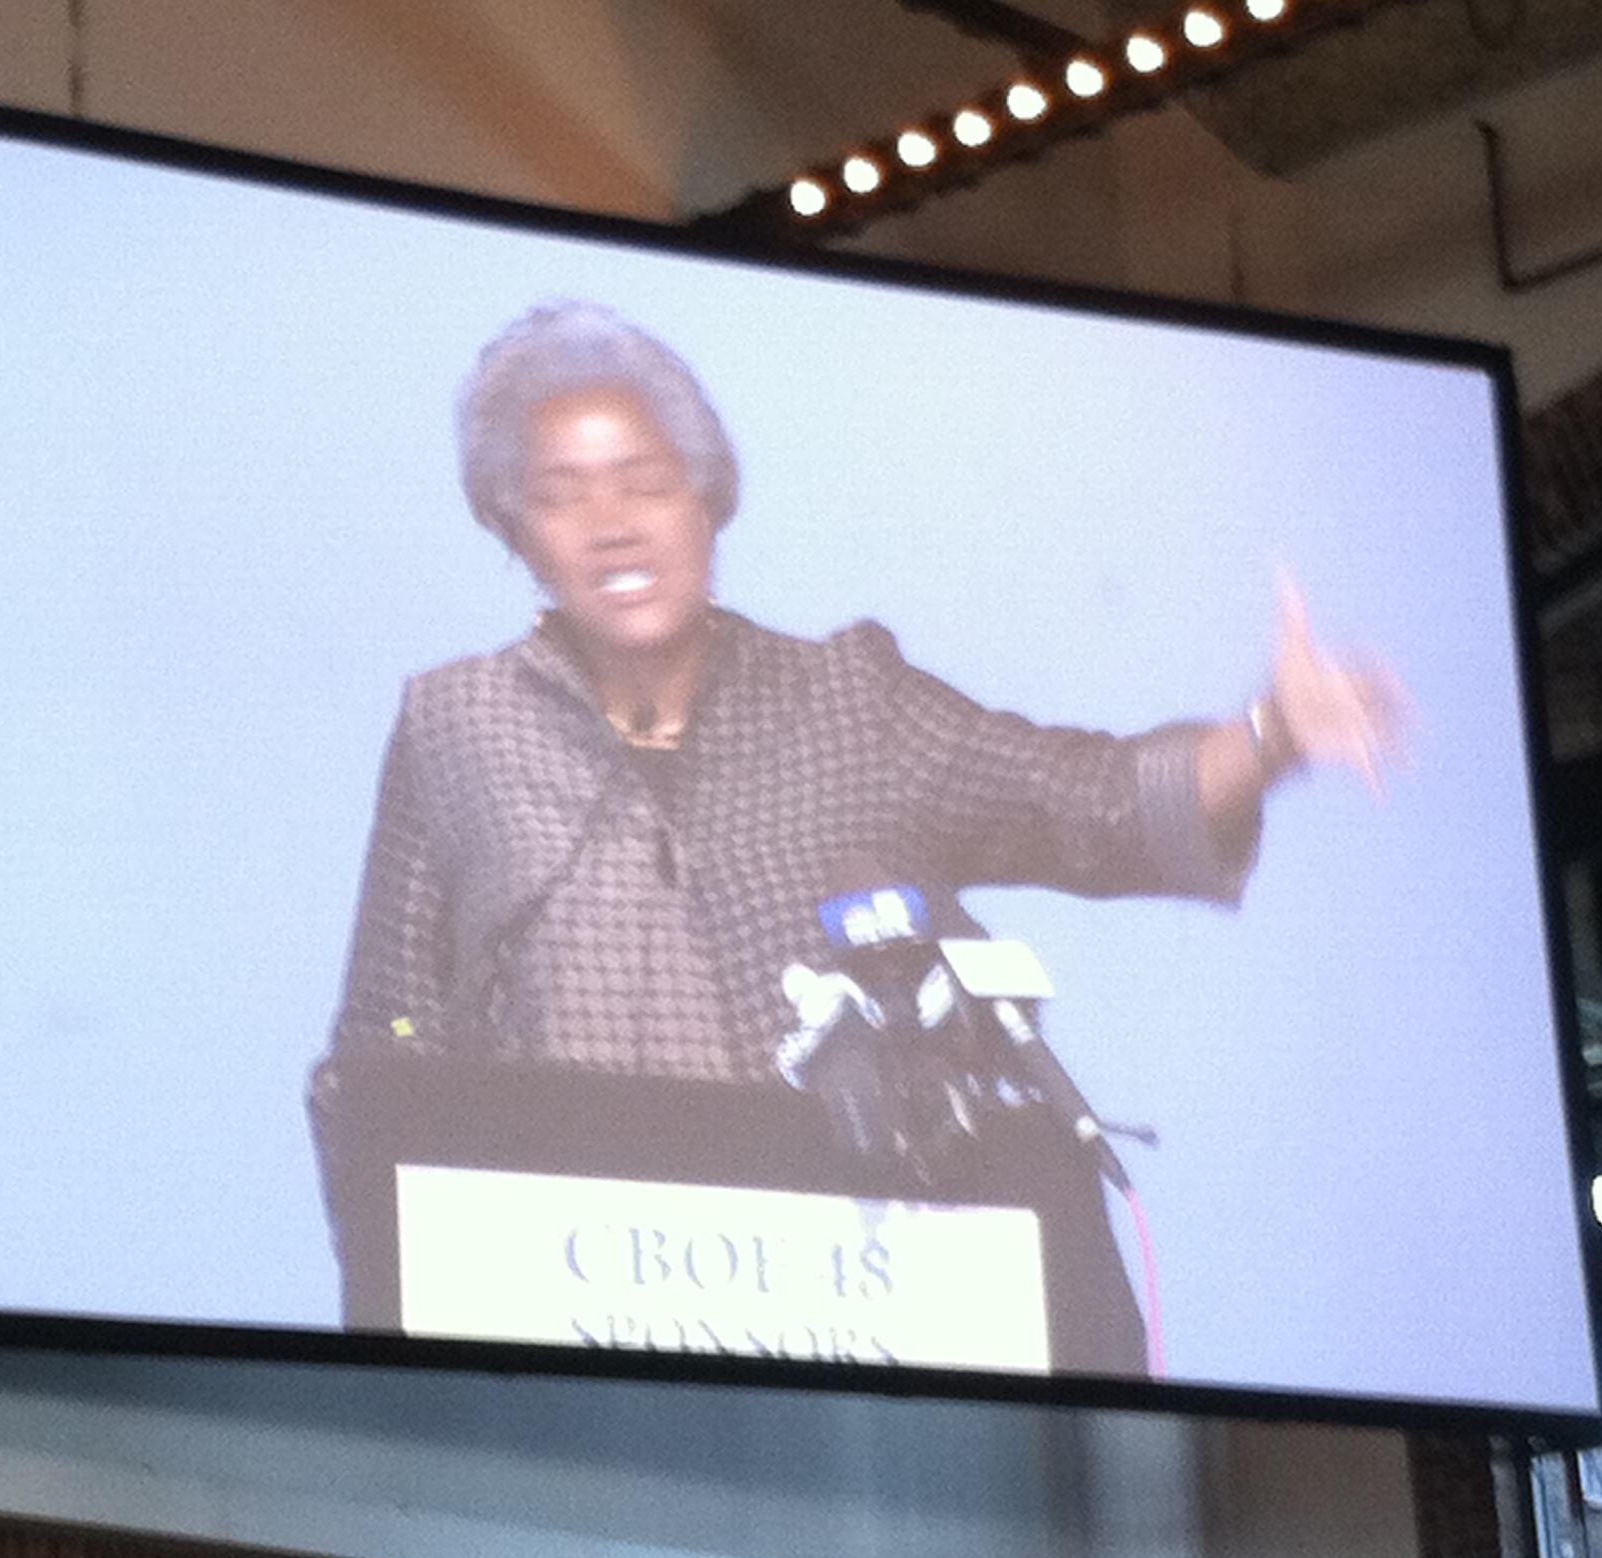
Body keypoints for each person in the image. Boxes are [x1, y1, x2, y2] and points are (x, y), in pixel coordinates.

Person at [319, 300, 1406, 1369]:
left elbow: (1090, 801)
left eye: (648, 484)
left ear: (708, 501)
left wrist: (1271, 734)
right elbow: (383, 1038)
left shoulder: (848, 699)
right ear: (517, 532)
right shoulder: (455, 724)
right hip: (564, 1309)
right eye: (562, 498)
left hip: (848, 1309)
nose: (614, 525)